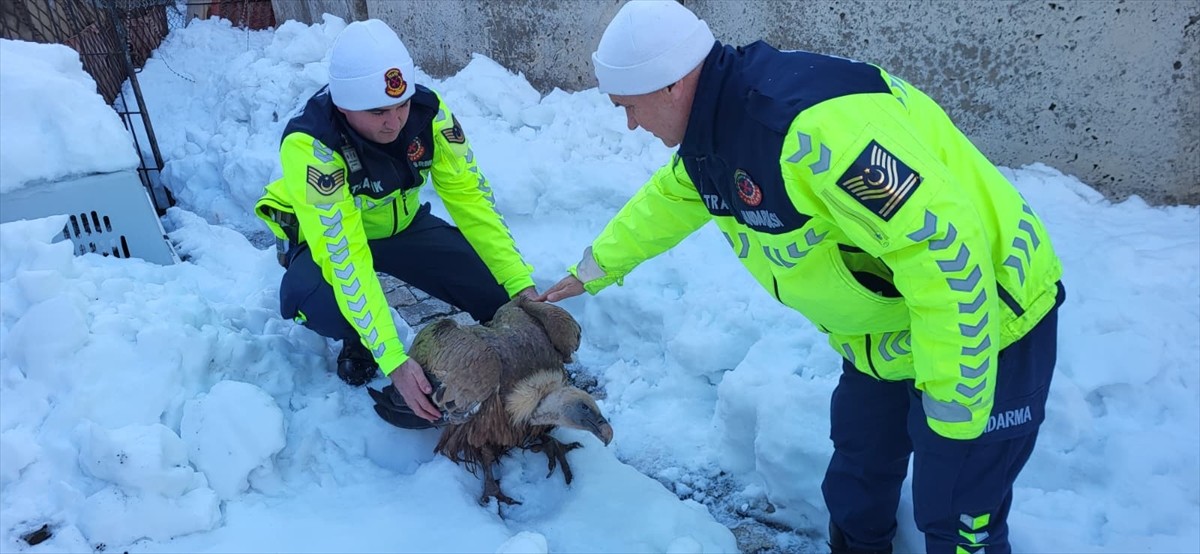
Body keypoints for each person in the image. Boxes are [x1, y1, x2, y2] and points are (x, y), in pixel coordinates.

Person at [537, 2, 1064, 553]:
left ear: (672, 84)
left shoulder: (814, 134)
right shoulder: (713, 134)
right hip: (890, 326)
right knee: (857, 480)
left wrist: (954, 415)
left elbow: (943, 251)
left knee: (955, 512)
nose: (630, 124)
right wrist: (591, 271)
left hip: (988, 319)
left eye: (630, 106)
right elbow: (667, 203)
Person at [255, 19, 537, 427]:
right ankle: (359, 341)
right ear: (343, 106)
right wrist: (393, 356)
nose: (395, 121)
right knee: (328, 304)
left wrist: (520, 285)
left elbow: (472, 202)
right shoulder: (311, 145)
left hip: (402, 227)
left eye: (402, 103)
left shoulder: (429, 115)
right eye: (378, 111)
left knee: (498, 289)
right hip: (329, 241)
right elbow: (345, 256)